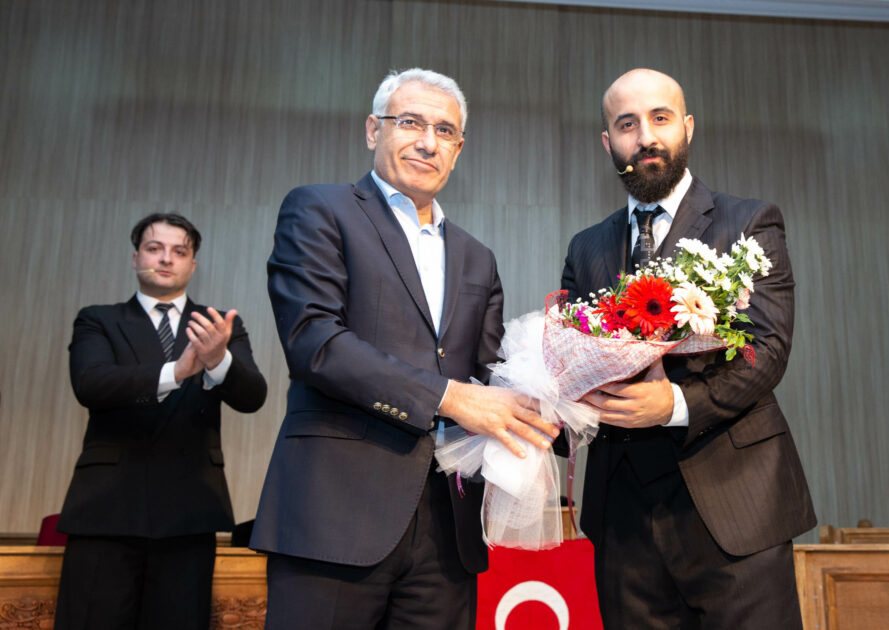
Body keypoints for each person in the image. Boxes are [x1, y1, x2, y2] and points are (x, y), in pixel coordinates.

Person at [249, 68, 559, 630]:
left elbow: (487, 378)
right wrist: (447, 398)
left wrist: (556, 391)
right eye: (410, 122)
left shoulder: (477, 257)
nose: (427, 141)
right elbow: (313, 342)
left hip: (448, 527)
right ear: (374, 130)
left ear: (458, 150)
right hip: (334, 513)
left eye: (445, 131)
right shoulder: (320, 210)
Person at [561, 68, 816, 629]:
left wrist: (672, 405)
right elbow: (574, 363)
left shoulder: (748, 221)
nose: (645, 137)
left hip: (736, 506)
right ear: (609, 143)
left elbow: (766, 351)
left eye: (660, 118)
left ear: (687, 128)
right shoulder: (587, 248)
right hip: (623, 514)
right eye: (626, 125)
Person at [55, 213, 268, 629]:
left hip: (189, 510)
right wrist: (178, 371)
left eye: (179, 251)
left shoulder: (218, 325)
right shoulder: (99, 319)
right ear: (136, 259)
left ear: (193, 265)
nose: (166, 259)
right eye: (155, 249)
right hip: (106, 509)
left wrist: (219, 360)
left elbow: (253, 396)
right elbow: (91, 384)